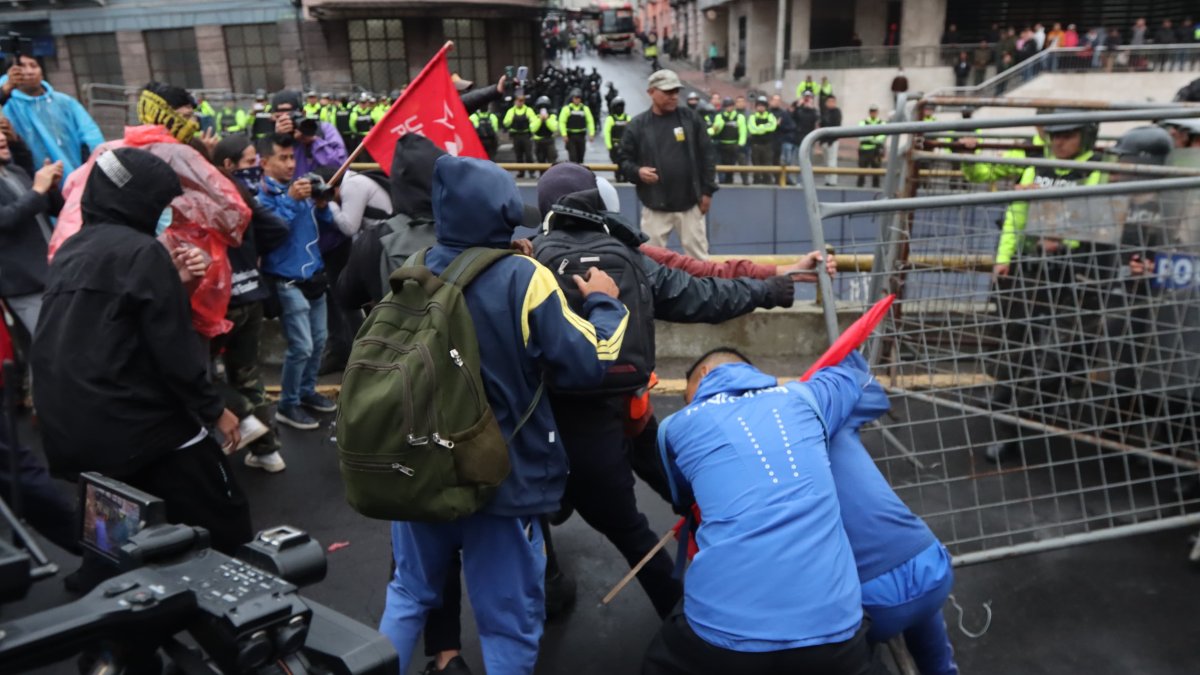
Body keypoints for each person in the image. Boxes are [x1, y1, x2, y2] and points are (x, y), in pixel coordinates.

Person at [378, 155, 629, 675]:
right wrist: (606, 304)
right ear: (501, 211)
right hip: (499, 481)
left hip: (419, 472)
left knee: (408, 597)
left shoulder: (414, 270)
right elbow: (590, 362)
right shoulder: (522, 277)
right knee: (507, 622)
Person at [530, 163, 800, 621]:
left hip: (556, 428)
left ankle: (555, 584)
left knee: (616, 529)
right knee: (683, 486)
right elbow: (704, 294)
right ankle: (735, 584)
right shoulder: (631, 256)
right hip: (630, 412)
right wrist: (769, 289)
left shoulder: (525, 261)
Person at [33, 148, 251, 561]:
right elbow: (172, 349)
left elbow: (119, 327)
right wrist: (214, 410)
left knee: (120, 542)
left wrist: (177, 283)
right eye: (161, 204)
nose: (164, 213)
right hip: (134, 424)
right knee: (225, 516)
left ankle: (111, 579)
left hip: (73, 427)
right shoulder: (141, 251)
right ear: (141, 201)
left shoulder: (72, 250)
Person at [645, 348, 874, 675]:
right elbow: (853, 374)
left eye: (688, 396)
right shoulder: (804, 397)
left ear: (706, 374)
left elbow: (683, 499)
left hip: (720, 630)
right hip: (835, 626)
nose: (689, 404)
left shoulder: (674, 427)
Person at [985, 114, 1107, 463]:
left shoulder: (1096, 170)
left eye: (1066, 137)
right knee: (1016, 337)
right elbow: (1017, 214)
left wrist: (1065, 238)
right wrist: (1004, 256)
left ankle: (1033, 415)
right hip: (1035, 266)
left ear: (1083, 138)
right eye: (1054, 137)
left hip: (1079, 273)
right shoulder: (1039, 166)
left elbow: (1100, 216)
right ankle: (1008, 408)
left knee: (1059, 351)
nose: (1058, 144)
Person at [830, 353, 959, 675]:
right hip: (932, 568)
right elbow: (873, 394)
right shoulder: (828, 412)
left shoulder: (751, 453)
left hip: (867, 602)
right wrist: (845, 363)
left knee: (848, 652)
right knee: (936, 656)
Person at [210, 135, 290, 472]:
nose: (255, 167)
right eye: (247, 161)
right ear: (227, 165)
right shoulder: (241, 195)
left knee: (198, 373)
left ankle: (242, 417)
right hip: (251, 294)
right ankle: (267, 449)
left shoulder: (201, 198)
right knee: (248, 373)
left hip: (220, 302)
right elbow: (277, 228)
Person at [256, 134, 339, 431]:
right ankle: (288, 405)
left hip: (314, 277)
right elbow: (271, 232)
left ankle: (306, 391)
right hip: (287, 283)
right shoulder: (260, 196)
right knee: (301, 347)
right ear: (264, 162)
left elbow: (327, 223)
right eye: (283, 158)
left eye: (293, 157)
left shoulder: (300, 190)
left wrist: (320, 204)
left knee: (318, 343)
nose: (291, 164)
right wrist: (291, 201)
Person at [619, 70, 718, 259]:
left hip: (690, 205)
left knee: (700, 260)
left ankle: (703, 289)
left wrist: (707, 192)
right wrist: (638, 172)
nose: (673, 96)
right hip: (655, 206)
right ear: (651, 92)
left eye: (675, 92)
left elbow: (708, 156)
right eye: (667, 92)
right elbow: (623, 160)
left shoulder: (691, 119)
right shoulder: (638, 125)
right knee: (650, 261)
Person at [1, 53, 104, 177]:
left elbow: (90, 135)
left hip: (75, 176)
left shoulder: (64, 102)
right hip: (29, 180)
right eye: (21, 66)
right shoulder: (6, 105)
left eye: (33, 66)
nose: (29, 72)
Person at [0, 134, 62, 340]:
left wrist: (50, 188)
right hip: (25, 284)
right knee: (49, 350)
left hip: (53, 273)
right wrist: (37, 190)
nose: (2, 137)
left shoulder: (15, 171)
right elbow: (5, 220)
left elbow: (48, 208)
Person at [271, 90, 347, 178]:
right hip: (289, 190)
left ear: (303, 113)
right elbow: (266, 174)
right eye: (280, 117)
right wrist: (278, 140)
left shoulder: (324, 129)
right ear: (273, 117)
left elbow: (342, 167)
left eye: (290, 116)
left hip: (321, 188)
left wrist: (313, 141)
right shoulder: (268, 137)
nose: (287, 122)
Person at [709, 96, 747, 185]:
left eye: (730, 106)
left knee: (741, 161)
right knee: (725, 166)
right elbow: (714, 130)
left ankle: (745, 180)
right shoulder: (719, 116)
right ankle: (727, 182)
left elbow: (743, 131)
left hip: (735, 144)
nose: (729, 108)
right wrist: (716, 127)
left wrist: (741, 144)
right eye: (727, 106)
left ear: (733, 106)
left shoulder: (739, 117)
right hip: (723, 144)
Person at [503, 93, 539, 176]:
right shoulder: (511, 111)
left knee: (528, 155)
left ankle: (531, 172)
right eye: (519, 101)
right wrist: (510, 119)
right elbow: (506, 123)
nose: (520, 102)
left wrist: (531, 123)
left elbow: (534, 121)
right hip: (516, 136)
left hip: (526, 135)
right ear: (515, 101)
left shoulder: (528, 110)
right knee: (518, 155)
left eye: (522, 101)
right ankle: (521, 172)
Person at [747, 96, 778, 185]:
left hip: (767, 145)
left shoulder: (770, 116)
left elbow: (772, 127)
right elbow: (752, 129)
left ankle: (768, 181)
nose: (760, 107)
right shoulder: (752, 117)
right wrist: (765, 127)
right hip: (756, 145)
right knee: (756, 164)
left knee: (767, 164)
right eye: (759, 105)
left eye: (762, 105)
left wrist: (759, 128)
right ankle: (756, 181)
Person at [559, 88, 595, 164]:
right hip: (571, 136)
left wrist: (591, 134)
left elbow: (590, 121)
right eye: (575, 98)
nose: (577, 100)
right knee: (573, 157)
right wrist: (564, 135)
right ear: (572, 99)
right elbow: (562, 122)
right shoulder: (567, 109)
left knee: (580, 157)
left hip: (581, 136)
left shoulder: (585, 109)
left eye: (578, 98)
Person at [770, 94, 799, 186]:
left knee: (782, 162)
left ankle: (782, 179)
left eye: (778, 100)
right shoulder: (767, 112)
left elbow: (792, 126)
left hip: (780, 142)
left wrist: (780, 125)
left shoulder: (783, 113)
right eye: (774, 100)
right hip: (768, 142)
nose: (776, 102)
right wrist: (774, 125)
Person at [857, 104, 885, 189]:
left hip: (876, 151)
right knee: (861, 171)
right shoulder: (863, 122)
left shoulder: (882, 123)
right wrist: (874, 137)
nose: (873, 113)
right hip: (864, 150)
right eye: (872, 111)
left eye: (875, 111)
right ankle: (859, 187)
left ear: (877, 112)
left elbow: (882, 137)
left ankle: (875, 188)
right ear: (869, 112)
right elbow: (861, 136)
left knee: (876, 172)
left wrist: (869, 137)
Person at [604, 97, 631, 182]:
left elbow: (632, 132)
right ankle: (618, 177)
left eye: (621, 106)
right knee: (616, 163)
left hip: (626, 145)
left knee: (626, 162)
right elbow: (606, 132)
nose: (620, 108)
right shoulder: (610, 119)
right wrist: (609, 145)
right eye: (617, 106)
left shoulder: (627, 118)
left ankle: (626, 177)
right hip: (614, 145)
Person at [820, 95, 843, 186]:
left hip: (832, 140)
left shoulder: (836, 112)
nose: (830, 103)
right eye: (829, 101)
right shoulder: (825, 112)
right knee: (826, 161)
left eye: (832, 101)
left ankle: (832, 180)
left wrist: (831, 140)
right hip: (824, 140)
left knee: (832, 161)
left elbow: (836, 126)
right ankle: (827, 179)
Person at [532, 95, 559, 168]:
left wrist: (547, 119)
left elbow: (554, 128)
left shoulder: (552, 116)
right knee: (540, 162)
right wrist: (540, 119)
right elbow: (533, 129)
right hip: (538, 141)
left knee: (552, 161)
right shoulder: (535, 116)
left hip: (549, 140)